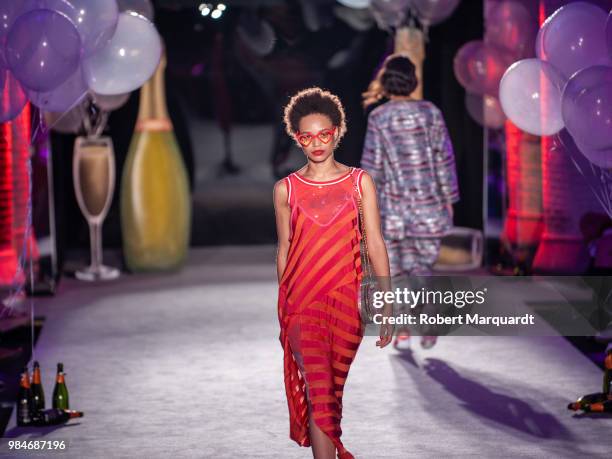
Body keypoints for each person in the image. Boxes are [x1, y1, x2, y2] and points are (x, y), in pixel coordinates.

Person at [274, 87, 393, 459]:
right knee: (319, 391)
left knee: (332, 393)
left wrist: (386, 304)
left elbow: (375, 242)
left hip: (346, 303)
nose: (316, 143)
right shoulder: (286, 190)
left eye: (323, 134)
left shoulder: (359, 183)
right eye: (306, 136)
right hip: (302, 304)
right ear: (296, 138)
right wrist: (286, 307)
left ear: (338, 130)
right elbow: (285, 249)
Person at [361, 54, 460, 350]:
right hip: (428, 208)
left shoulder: (379, 118)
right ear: (412, 80)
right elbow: (444, 159)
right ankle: (428, 323)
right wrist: (449, 197)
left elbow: (373, 168)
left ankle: (403, 325)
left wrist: (366, 207)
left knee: (398, 272)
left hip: (393, 212)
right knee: (423, 270)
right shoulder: (431, 113)